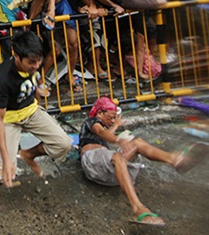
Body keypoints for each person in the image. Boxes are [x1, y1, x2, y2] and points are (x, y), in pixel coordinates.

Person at [0, 31, 71, 214]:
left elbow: (35, 80)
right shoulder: (2, 77)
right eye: (31, 62)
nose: (36, 65)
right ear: (17, 57)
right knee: (4, 169)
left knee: (63, 144)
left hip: (31, 111)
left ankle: (28, 154)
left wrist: (38, 92)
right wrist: (7, 158)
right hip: (9, 119)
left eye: (38, 60)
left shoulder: (35, 62)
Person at [79, 96, 208, 226]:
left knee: (138, 143)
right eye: (110, 117)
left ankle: (175, 160)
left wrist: (116, 128)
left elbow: (106, 134)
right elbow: (102, 133)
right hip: (91, 161)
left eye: (115, 118)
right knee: (117, 157)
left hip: (107, 169)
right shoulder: (91, 121)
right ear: (100, 113)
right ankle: (138, 209)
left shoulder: (105, 130)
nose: (113, 121)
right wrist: (118, 139)